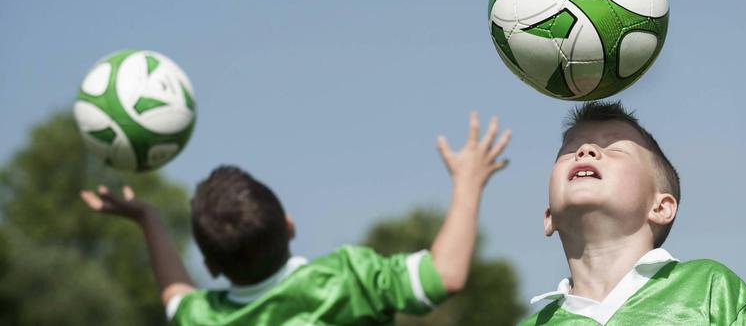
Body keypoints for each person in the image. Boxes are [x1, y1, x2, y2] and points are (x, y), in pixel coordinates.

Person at [81, 112, 511, 325]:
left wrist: (148, 219)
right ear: (289, 225)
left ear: (211, 265)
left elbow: (174, 296)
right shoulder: (346, 279)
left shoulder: (207, 318)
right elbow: (445, 275)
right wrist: (468, 181)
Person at [520, 101, 746, 325]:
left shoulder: (709, 289)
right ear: (549, 217)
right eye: (569, 149)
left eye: (614, 148)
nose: (585, 150)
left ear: (661, 207)